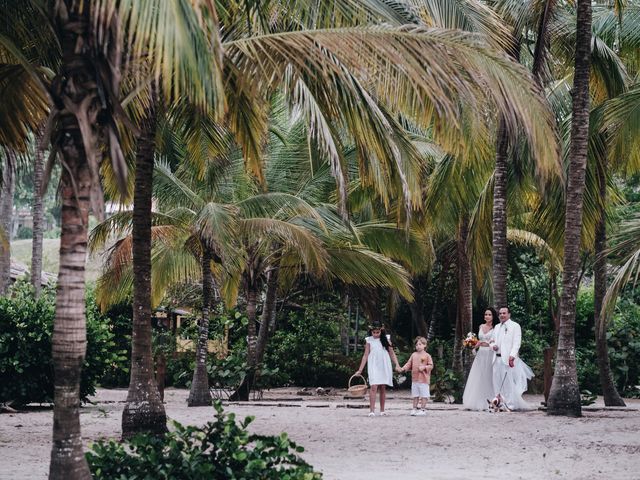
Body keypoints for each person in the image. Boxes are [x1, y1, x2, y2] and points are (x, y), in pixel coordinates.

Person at [489, 306, 534, 411]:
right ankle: (498, 403)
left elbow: (516, 343)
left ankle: (510, 405)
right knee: (497, 382)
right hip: (496, 358)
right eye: (500, 313)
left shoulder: (515, 326)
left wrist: (512, 356)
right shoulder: (496, 327)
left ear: (509, 314)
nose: (502, 315)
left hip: (507, 359)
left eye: (504, 313)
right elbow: (491, 340)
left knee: (508, 382)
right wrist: (493, 346)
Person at [355, 323, 401, 416]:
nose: (376, 334)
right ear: (371, 331)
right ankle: (371, 411)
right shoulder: (369, 340)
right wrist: (360, 370)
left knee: (383, 387)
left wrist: (397, 365)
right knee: (373, 386)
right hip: (373, 364)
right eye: (374, 332)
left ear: (381, 331)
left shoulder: (386, 339)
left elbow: (391, 353)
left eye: (378, 332)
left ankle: (382, 410)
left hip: (384, 364)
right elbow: (365, 355)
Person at [462, 307, 498, 410]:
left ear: (493, 316)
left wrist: (486, 343)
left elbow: (495, 341)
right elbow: (479, 341)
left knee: (489, 376)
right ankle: (476, 401)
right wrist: (473, 345)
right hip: (481, 353)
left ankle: (492, 401)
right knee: (479, 376)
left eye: (489, 315)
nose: (487, 316)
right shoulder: (481, 326)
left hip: (490, 353)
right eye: (486, 314)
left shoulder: (496, 328)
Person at [398, 336, 433, 415]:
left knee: (424, 395)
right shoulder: (413, 355)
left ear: (425, 345)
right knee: (415, 395)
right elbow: (409, 364)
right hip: (415, 379)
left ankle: (423, 409)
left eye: (420, 344)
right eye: (416, 345)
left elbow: (431, 366)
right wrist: (403, 369)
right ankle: (414, 408)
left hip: (424, 379)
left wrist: (424, 367)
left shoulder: (427, 356)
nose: (418, 346)